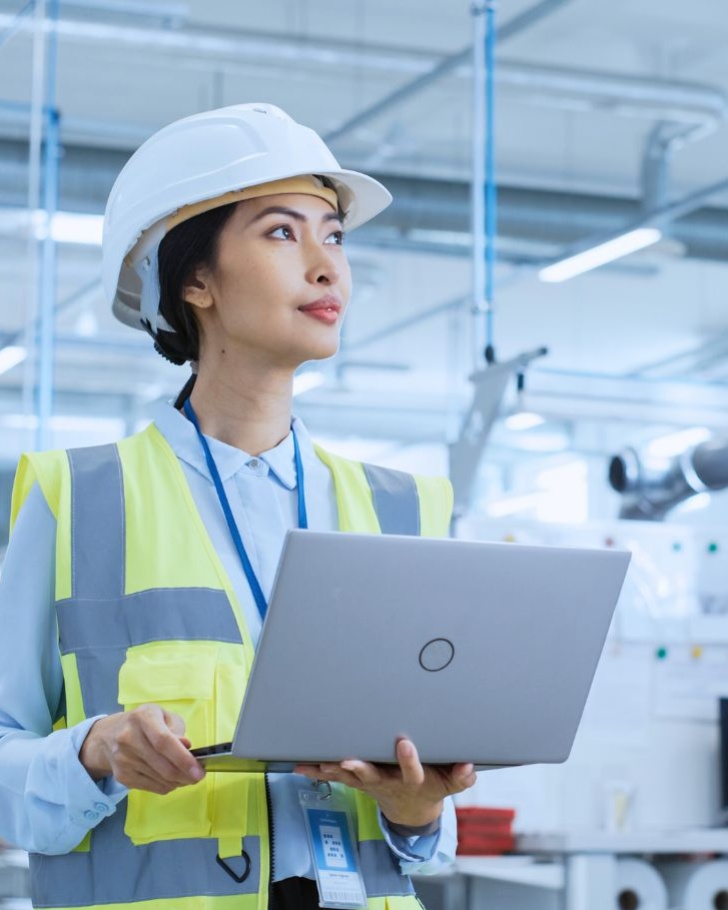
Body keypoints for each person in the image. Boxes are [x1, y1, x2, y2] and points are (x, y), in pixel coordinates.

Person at [0, 102, 476, 910]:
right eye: (283, 233)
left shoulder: (406, 509)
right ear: (194, 280)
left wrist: (419, 810)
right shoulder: (73, 497)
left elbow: (427, 842)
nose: (327, 267)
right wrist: (93, 751)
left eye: (334, 235)